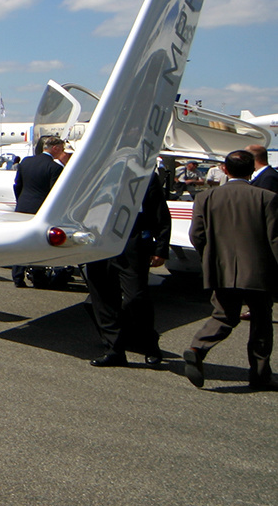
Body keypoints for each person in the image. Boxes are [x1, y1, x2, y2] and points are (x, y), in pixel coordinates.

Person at [181, 150, 278, 391]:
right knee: (261, 322)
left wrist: (210, 258)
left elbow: (197, 235)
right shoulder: (267, 198)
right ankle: (259, 374)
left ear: (225, 169)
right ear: (252, 170)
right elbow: (275, 238)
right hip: (258, 270)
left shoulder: (206, 197)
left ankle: (197, 348)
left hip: (221, 269)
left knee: (224, 315)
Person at [83, 178, 171, 367]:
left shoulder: (144, 175)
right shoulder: (94, 172)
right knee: (103, 298)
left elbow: (160, 212)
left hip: (132, 241)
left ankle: (149, 344)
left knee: (136, 298)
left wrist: (161, 248)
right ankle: (114, 350)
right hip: (98, 241)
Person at [12, 135, 66, 288]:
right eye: (61, 149)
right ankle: (38, 276)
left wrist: (20, 200)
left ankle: (17, 276)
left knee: (19, 242)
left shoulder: (26, 162)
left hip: (23, 205)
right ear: (54, 148)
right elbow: (54, 192)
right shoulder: (54, 167)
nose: (62, 152)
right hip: (40, 208)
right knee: (37, 243)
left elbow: (17, 185)